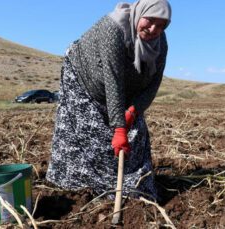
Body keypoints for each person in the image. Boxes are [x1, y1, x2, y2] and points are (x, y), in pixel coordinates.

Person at [46, 0, 172, 201]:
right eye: (150, 20)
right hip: (84, 80)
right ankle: (81, 187)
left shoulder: (160, 43)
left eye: (161, 25)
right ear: (139, 13)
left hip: (128, 92)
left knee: (136, 136)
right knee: (90, 135)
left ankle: (134, 188)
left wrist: (133, 111)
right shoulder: (113, 28)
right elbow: (112, 79)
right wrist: (119, 127)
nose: (153, 28)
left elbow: (153, 84)